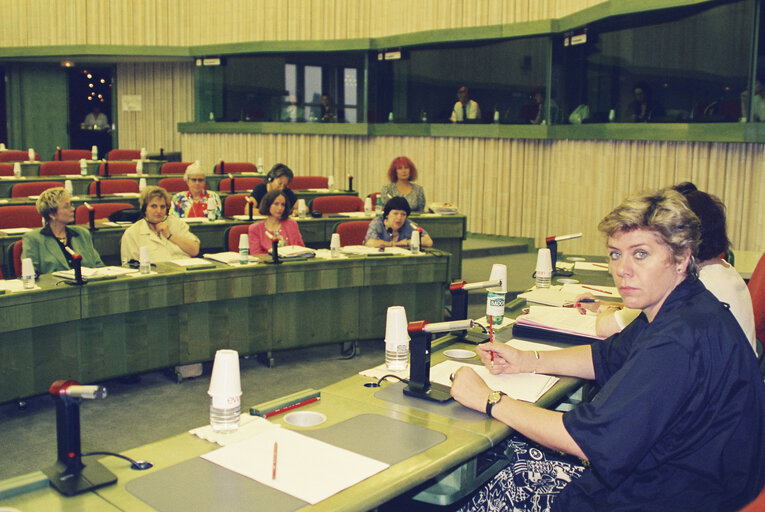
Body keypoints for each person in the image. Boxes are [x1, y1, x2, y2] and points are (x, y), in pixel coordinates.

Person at [451, 188, 765, 511]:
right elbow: (604, 357)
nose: (622, 269)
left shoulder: (678, 339)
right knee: (510, 453)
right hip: (686, 479)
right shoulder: (678, 305)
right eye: (615, 254)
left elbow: (589, 442)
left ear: (682, 258)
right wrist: (526, 361)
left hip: (671, 495)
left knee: (497, 479)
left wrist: (490, 400)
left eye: (640, 254)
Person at [581, 182, 757, 351]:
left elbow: (608, 327)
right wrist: (604, 304)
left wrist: (610, 310)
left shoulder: (692, 289)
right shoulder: (722, 271)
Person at [22, 187, 104, 274]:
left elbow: (98, 265)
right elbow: (31, 274)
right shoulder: (33, 238)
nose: (73, 209)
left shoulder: (82, 233)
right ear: (52, 214)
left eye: (71, 205)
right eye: (66, 206)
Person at [120, 186, 200, 263]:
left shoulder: (177, 223)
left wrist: (170, 236)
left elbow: (195, 250)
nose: (159, 211)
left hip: (184, 272)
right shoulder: (132, 233)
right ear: (144, 209)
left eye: (162, 207)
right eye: (153, 206)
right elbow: (130, 266)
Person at [248, 189, 304, 254]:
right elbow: (256, 254)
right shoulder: (255, 228)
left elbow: (300, 248)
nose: (280, 208)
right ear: (268, 205)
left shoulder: (292, 224)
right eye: (276, 204)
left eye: (283, 204)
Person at [363, 196, 433, 249]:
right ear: (387, 214)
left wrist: (406, 242)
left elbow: (428, 242)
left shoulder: (409, 224)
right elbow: (370, 243)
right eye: (395, 213)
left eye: (403, 214)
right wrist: (392, 244)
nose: (399, 218)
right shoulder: (377, 223)